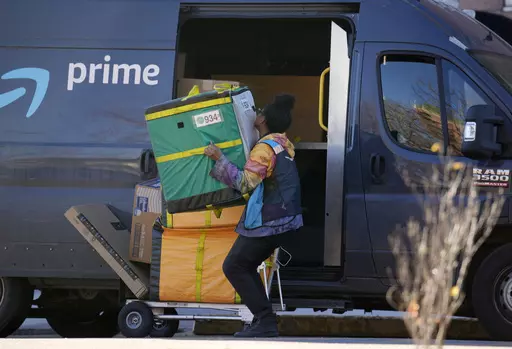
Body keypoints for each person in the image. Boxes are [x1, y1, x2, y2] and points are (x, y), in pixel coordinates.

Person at [203, 94, 303, 338]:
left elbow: (246, 183)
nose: (254, 113)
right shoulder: (282, 144)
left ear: (262, 119)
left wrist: (220, 159)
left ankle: (265, 320)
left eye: (258, 111)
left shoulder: (264, 149)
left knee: (234, 265)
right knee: (243, 265)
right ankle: (264, 319)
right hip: (284, 218)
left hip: (270, 221)